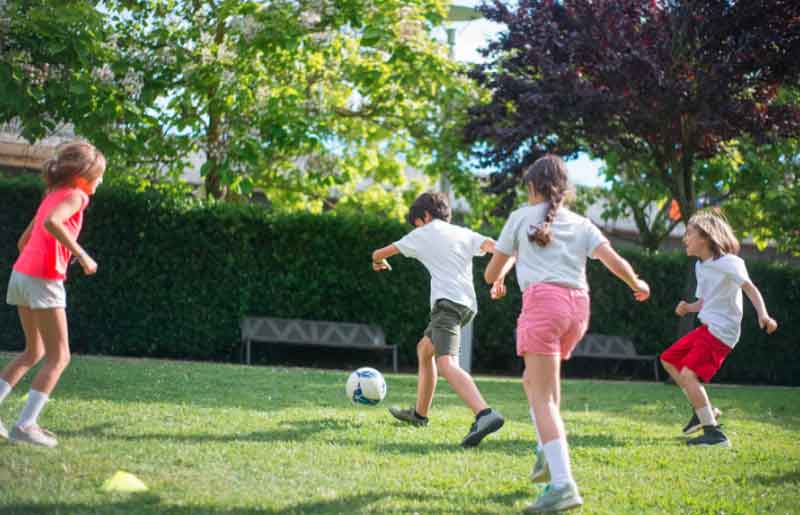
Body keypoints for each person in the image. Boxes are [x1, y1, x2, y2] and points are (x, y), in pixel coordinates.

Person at [484, 155, 650, 513]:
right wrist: (636, 282)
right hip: (578, 309)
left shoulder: (519, 218)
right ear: (563, 189)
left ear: (531, 187)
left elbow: (491, 272)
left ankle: (562, 484)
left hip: (543, 305)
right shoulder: (579, 222)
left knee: (541, 396)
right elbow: (612, 259)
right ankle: (547, 450)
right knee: (536, 383)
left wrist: (498, 275)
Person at [372, 192, 506, 448]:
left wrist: (379, 262)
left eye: (417, 223)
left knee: (446, 363)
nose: (417, 229)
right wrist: (499, 276)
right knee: (425, 349)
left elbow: (378, 252)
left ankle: (485, 414)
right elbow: (496, 247)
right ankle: (419, 415)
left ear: (424, 216)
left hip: (447, 305)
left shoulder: (422, 233)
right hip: (466, 306)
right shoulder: (463, 233)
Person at [0, 141, 106, 448]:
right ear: (82, 176)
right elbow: (51, 224)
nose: (100, 181)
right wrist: (82, 255)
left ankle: (19, 421)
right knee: (60, 356)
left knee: (34, 351)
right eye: (99, 175)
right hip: (43, 280)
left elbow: (24, 241)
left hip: (20, 275)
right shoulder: (76, 196)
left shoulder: (52, 196)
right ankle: (25, 425)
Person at [660, 208, 777, 447]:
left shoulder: (730, 263)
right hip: (708, 327)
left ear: (705, 237)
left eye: (689, 234)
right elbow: (705, 302)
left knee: (688, 375)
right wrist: (688, 308)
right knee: (669, 359)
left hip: (722, 331)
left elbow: (750, 289)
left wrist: (763, 315)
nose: (684, 239)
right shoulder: (700, 266)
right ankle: (704, 410)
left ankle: (714, 434)